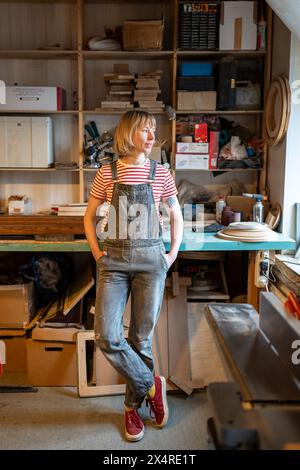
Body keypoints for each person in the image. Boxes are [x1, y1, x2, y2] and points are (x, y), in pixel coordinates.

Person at [84, 110, 183, 442]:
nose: (152, 135)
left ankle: (131, 409)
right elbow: (89, 216)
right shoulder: (106, 171)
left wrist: (171, 254)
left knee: (140, 338)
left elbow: (176, 215)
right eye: (145, 130)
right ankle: (150, 384)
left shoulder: (161, 172)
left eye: (154, 130)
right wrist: (98, 253)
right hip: (113, 262)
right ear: (128, 133)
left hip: (151, 260)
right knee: (106, 336)